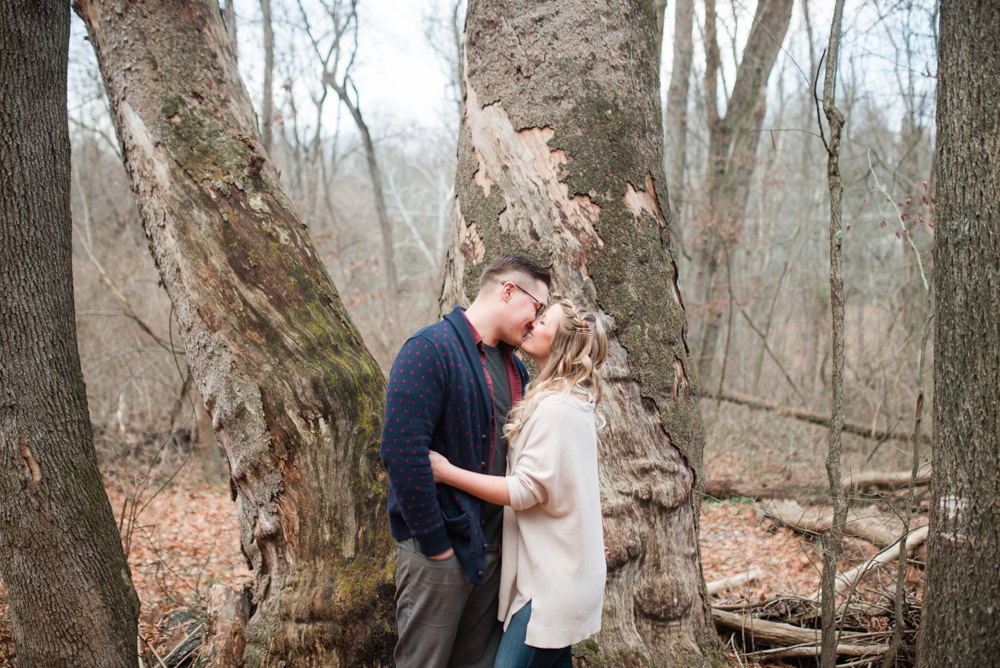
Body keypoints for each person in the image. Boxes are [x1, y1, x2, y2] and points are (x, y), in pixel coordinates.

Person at [381, 254, 552, 668]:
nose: (536, 321)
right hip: (439, 550)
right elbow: (401, 452)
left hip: (493, 554)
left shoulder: (516, 369)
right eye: (538, 308)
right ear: (508, 291)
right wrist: (436, 546)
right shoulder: (428, 349)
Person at [429, 299, 609, 668]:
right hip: (564, 573)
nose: (533, 322)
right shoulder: (569, 401)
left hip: (553, 586)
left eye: (544, 321)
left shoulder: (557, 410)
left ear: (561, 344)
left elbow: (525, 491)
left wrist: (447, 472)